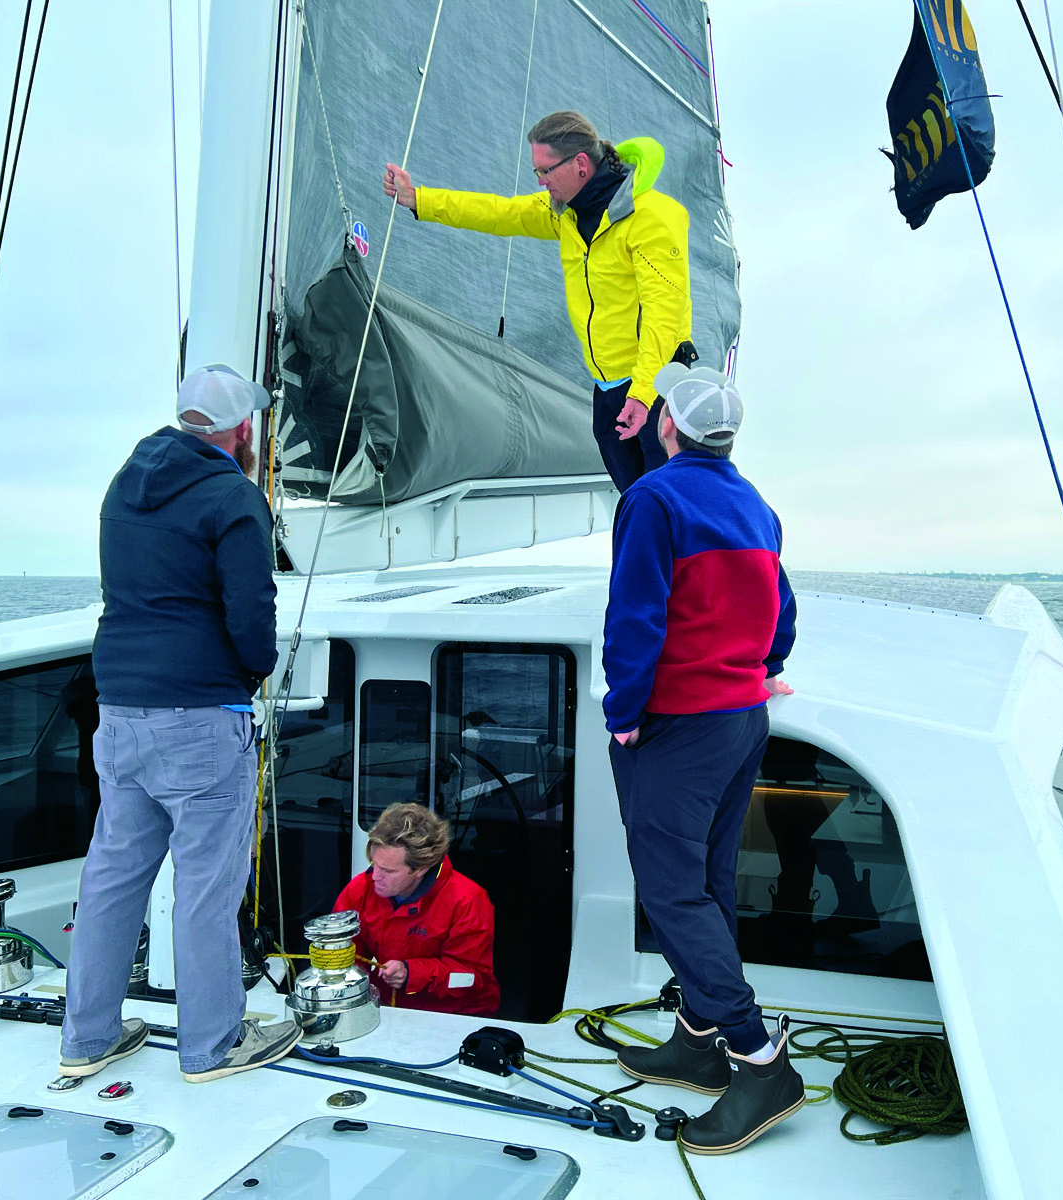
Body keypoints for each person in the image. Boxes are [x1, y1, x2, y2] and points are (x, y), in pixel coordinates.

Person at [58, 364, 302, 1084]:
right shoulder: (233, 494)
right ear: (240, 428)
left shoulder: (124, 482)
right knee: (205, 885)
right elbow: (251, 613)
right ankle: (212, 1045)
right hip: (199, 717)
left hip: (120, 713)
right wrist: (252, 674)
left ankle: (88, 1037)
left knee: (111, 876)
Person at [602, 364, 803, 1155]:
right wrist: (769, 660)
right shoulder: (757, 505)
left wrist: (624, 712)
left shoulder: (651, 499)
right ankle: (696, 1040)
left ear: (666, 427)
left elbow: (636, 614)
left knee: (673, 894)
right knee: (709, 882)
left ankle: (757, 1058)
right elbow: (780, 606)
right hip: (740, 721)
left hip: (677, 726)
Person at [382, 110, 695, 493]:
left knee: (675, 510)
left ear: (580, 164)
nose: (541, 182)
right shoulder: (564, 213)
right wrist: (419, 199)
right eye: (537, 173)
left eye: (545, 171)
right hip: (610, 391)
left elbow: (664, 315)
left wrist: (644, 395)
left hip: (658, 391)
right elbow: (501, 212)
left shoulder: (653, 217)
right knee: (636, 510)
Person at [332, 803, 500, 1016]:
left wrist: (412, 973)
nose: (374, 877)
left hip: (455, 1014)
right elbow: (344, 953)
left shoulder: (468, 901)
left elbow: (470, 978)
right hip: (386, 1006)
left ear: (420, 869)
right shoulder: (361, 889)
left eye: (388, 871)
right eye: (374, 865)